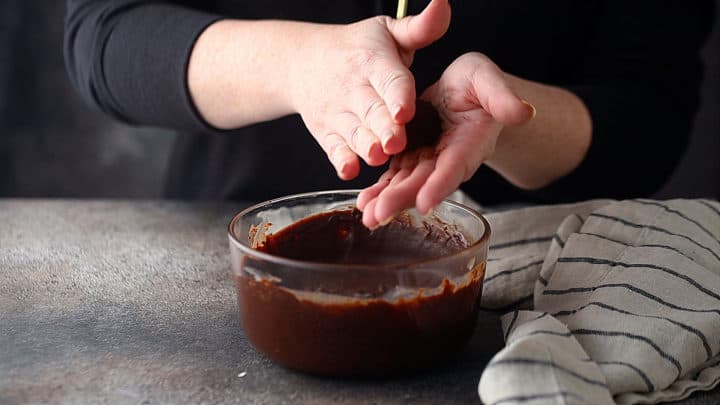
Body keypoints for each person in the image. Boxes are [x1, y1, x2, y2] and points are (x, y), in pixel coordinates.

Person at [65, 1, 713, 228]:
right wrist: (299, 63)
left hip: (520, 296)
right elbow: (104, 33)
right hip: (225, 258)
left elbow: (648, 114)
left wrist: (504, 121)